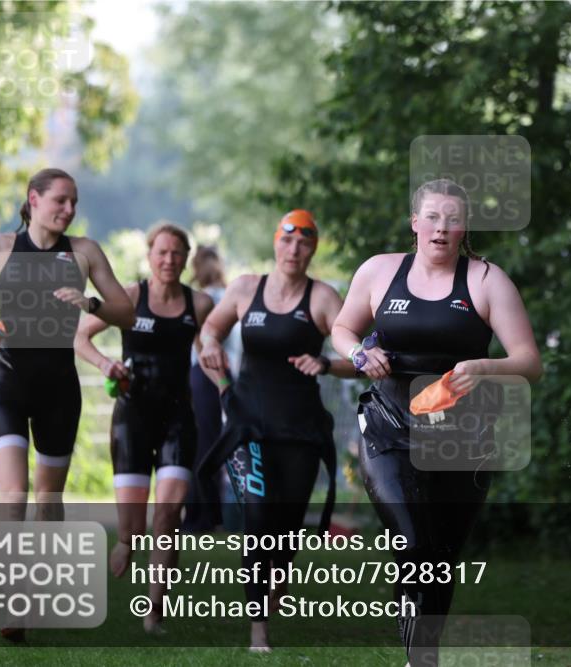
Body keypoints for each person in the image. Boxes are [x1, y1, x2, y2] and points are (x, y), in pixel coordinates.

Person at [330, 179, 542, 664]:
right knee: (410, 543)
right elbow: (343, 329)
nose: (441, 228)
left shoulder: (487, 281)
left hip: (462, 436)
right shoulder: (380, 272)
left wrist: (484, 367)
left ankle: (425, 653)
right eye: (432, 217)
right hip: (388, 427)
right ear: (414, 223)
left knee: (440, 557)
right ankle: (417, 661)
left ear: (464, 227)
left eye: (451, 219)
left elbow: (529, 360)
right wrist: (361, 353)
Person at [0, 167, 135, 641]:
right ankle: (12, 601)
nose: (69, 209)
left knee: (48, 504)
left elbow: (126, 311)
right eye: (60, 201)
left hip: (58, 391)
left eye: (74, 202)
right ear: (34, 199)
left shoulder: (84, 253)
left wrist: (89, 305)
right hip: (6, 382)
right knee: (14, 496)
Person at [197, 209, 355, 651]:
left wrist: (325, 362)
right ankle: (258, 630)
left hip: (300, 431)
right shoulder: (246, 288)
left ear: (313, 250)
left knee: (284, 528)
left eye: (304, 243)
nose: (294, 250)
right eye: (287, 241)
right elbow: (211, 328)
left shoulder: (323, 298)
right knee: (259, 519)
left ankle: (273, 588)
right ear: (276, 243)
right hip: (248, 426)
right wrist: (211, 348)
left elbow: (357, 357)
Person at [74, 222, 213, 634]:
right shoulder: (131, 297)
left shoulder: (200, 303)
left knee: (168, 514)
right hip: (132, 418)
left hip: (178, 418)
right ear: (150, 256)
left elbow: (209, 346)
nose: (169, 260)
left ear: (186, 259)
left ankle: (154, 611)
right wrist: (106, 365)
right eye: (162, 252)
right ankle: (126, 542)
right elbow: (81, 337)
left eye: (176, 254)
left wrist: (218, 367)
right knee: (133, 527)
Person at [182, 245, 241, 533]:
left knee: (205, 445)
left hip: (207, 375)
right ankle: (209, 514)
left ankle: (203, 516)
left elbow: (200, 344)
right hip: (223, 374)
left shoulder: (205, 299)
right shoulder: (228, 297)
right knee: (215, 443)